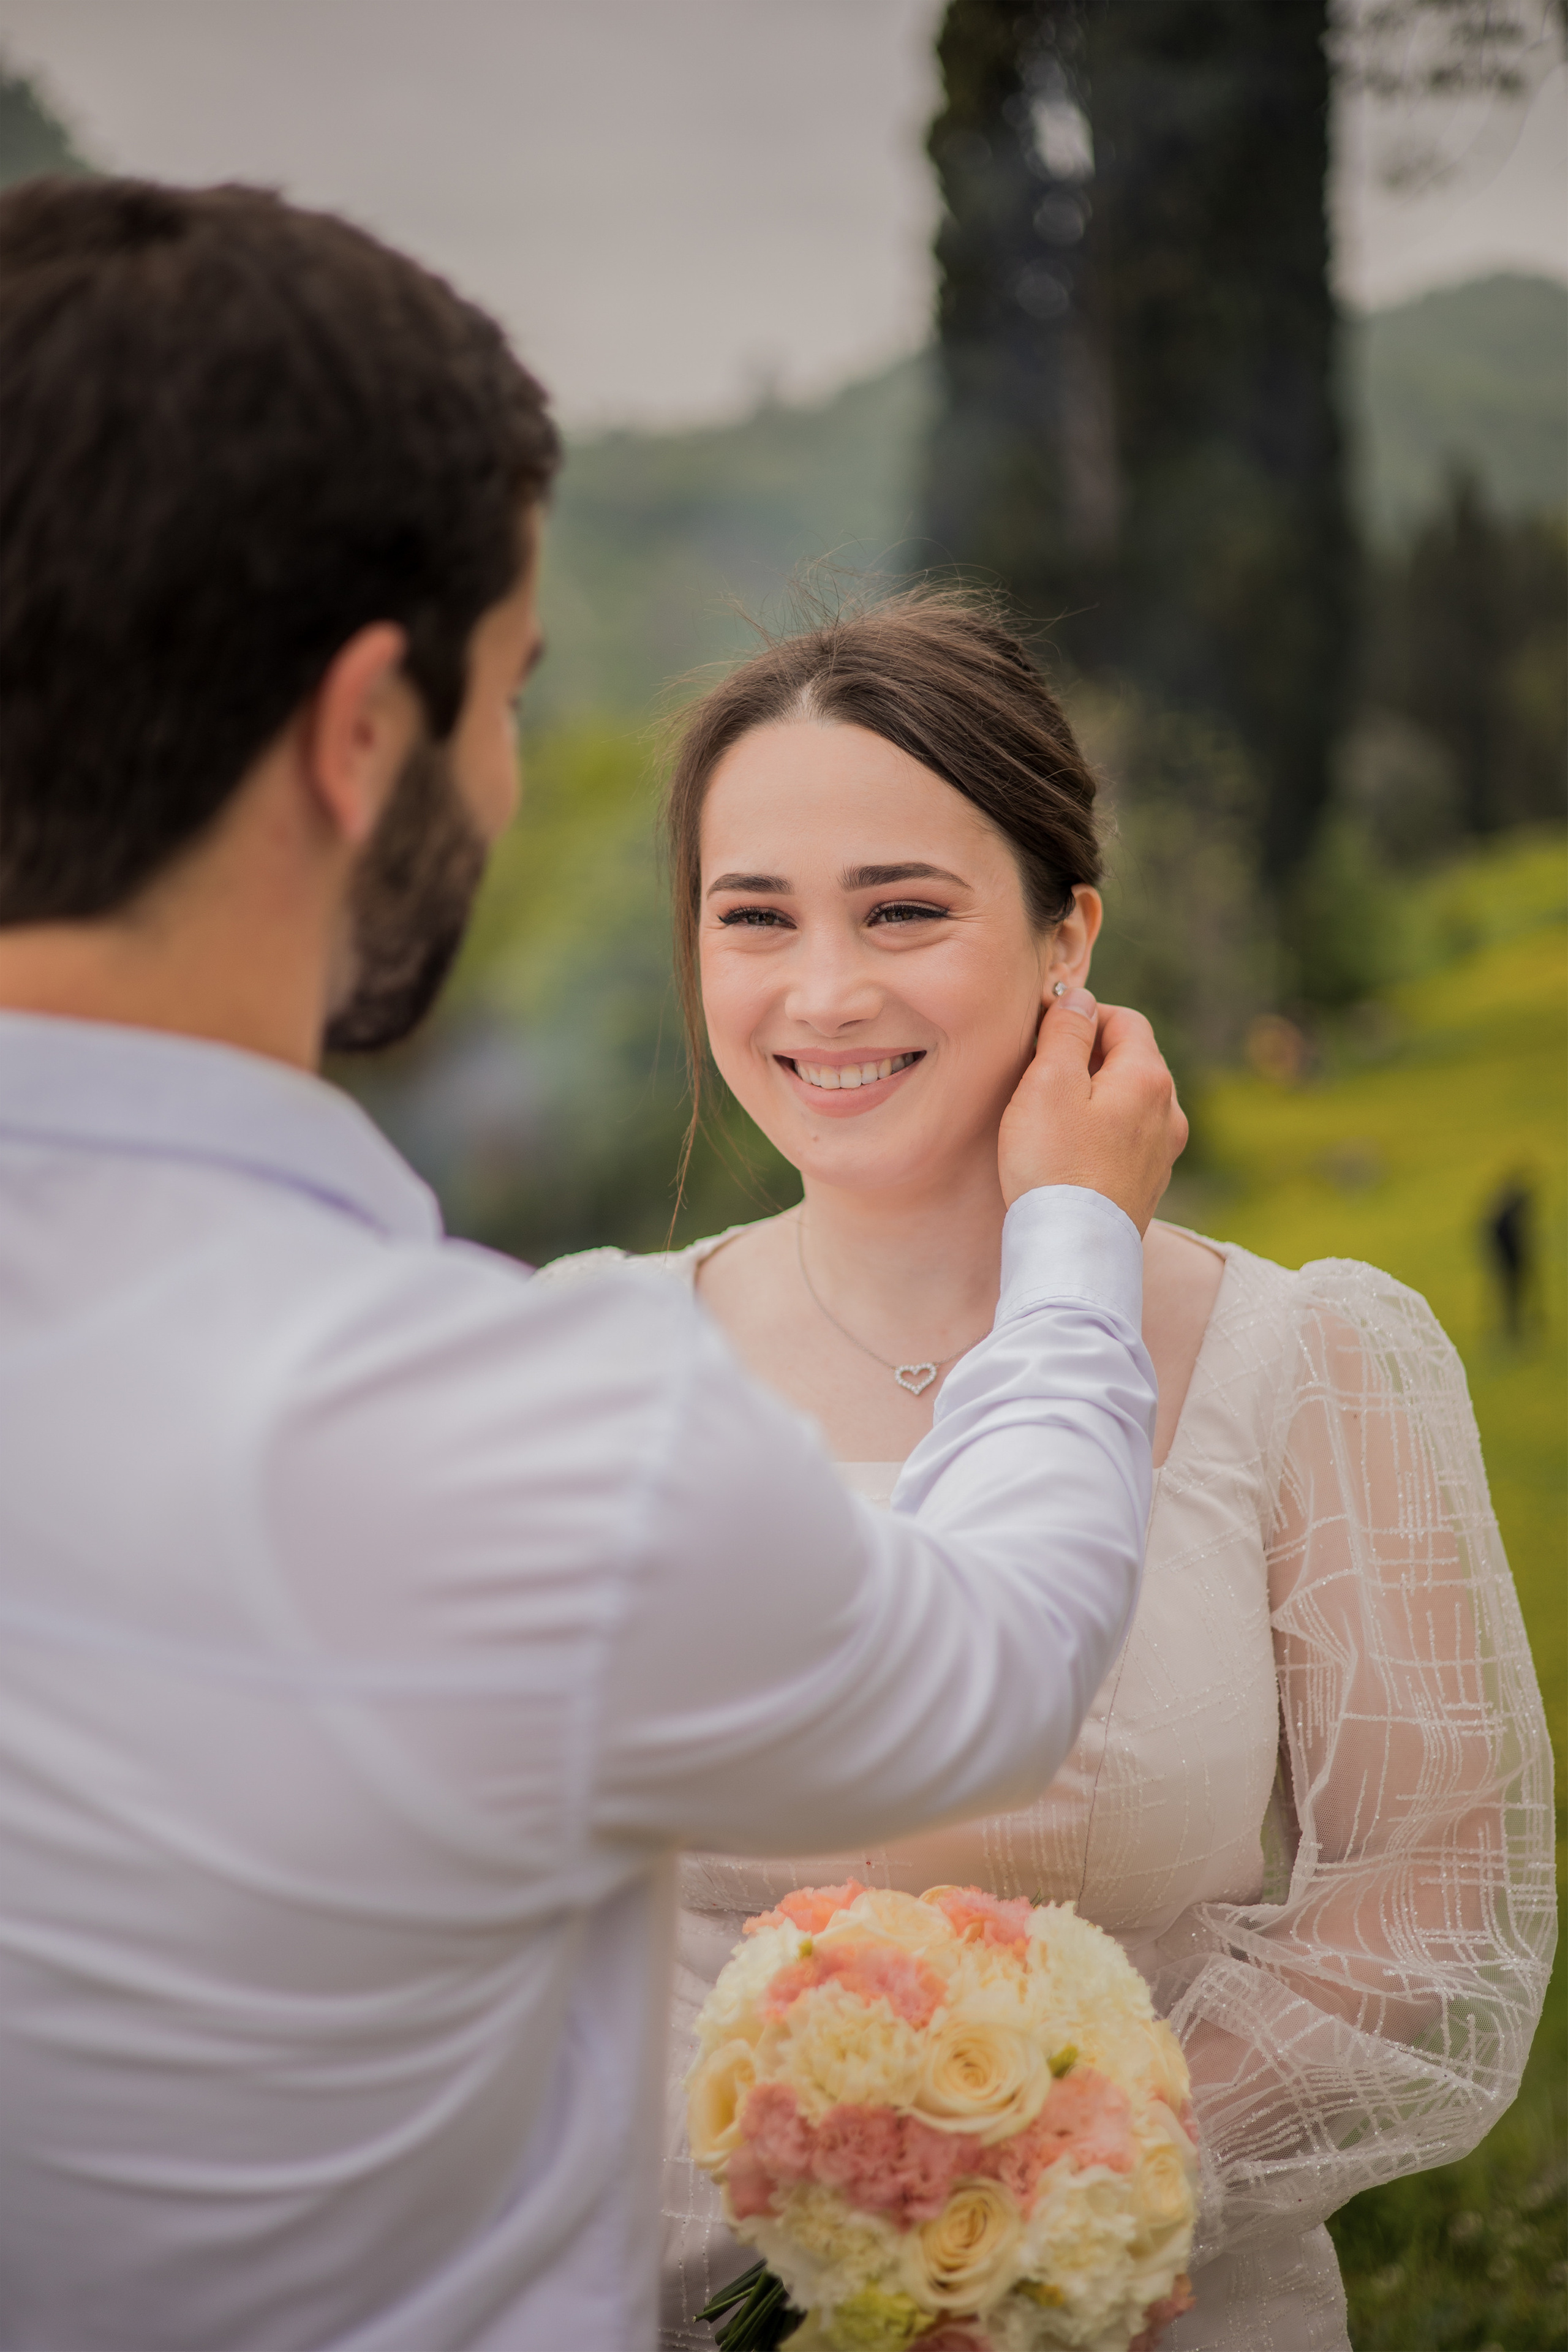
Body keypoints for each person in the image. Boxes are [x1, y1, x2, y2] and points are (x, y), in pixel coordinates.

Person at [0, 181, 1191, 2350]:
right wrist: (1082, 1235)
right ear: (367, 732)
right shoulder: (523, 1416)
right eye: (512, 687)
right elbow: (999, 1658)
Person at [535, 590, 1557, 2352]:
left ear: (1066, 933)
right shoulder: (570, 1362)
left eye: (906, 912)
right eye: (753, 918)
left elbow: (1429, 1902)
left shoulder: (1310, 1356)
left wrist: (1054, 2188)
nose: (825, 991)